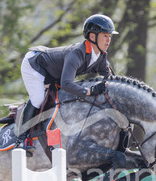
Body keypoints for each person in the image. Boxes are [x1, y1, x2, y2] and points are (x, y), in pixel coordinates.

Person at [16, 14, 118, 152]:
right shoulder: (76, 54)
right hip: (35, 65)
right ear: (92, 36)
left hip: (53, 72)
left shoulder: (101, 56)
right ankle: (21, 139)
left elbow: (110, 78)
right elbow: (66, 83)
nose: (108, 40)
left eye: (110, 36)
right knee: (38, 99)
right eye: (105, 35)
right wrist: (89, 91)